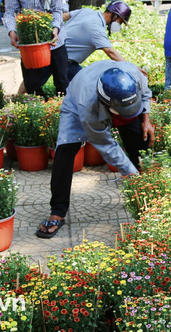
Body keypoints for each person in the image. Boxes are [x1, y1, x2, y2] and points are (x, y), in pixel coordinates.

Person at [35, 60, 154, 238]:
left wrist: (146, 119)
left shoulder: (132, 75)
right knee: (64, 153)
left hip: (120, 101)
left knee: (140, 139)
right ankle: (57, 212)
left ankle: (146, 195)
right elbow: (106, 146)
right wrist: (131, 174)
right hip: (76, 103)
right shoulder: (87, 106)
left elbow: (145, 95)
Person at [4, 0, 66, 97]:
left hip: (55, 41)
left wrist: (55, 28)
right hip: (30, 42)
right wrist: (12, 31)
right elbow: (10, 10)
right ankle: (41, 112)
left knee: (62, 83)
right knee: (32, 85)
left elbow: (58, 9)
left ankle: (62, 114)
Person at [60, 0, 133, 81]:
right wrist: (132, 68)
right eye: (121, 22)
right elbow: (110, 52)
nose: (120, 25)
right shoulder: (97, 30)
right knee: (85, 84)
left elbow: (63, 16)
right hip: (64, 60)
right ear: (115, 16)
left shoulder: (87, 11)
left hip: (53, 50)